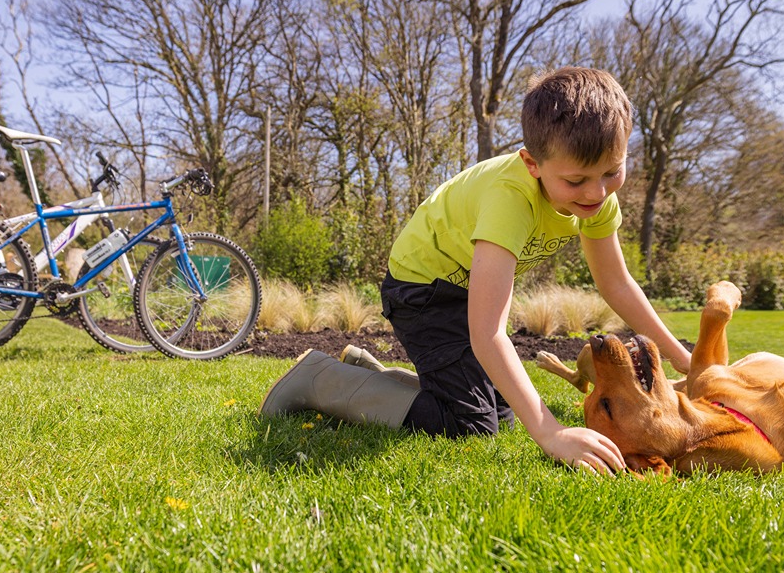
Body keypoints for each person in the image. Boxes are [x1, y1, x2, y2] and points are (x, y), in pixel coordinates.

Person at [261, 66, 694, 475]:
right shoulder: (510, 197)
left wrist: (686, 360)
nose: (596, 192)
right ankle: (319, 379)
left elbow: (616, 283)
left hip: (460, 288)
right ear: (532, 165)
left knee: (502, 414)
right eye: (577, 180)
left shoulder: (597, 200)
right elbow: (488, 332)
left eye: (612, 172)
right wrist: (550, 431)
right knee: (471, 425)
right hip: (422, 289)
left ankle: (367, 373)